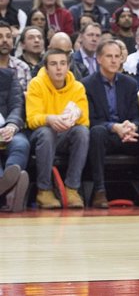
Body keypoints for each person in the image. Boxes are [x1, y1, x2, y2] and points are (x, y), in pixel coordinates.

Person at [83, 39, 139, 208]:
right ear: (99, 59)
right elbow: (90, 119)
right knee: (96, 132)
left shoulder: (129, 83)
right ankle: (99, 191)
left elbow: (136, 116)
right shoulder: (87, 84)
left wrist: (132, 126)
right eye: (109, 56)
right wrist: (114, 127)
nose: (113, 60)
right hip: (105, 136)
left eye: (117, 56)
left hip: (127, 135)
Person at [26, 48, 90, 209]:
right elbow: (32, 119)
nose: (59, 68)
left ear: (68, 66)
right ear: (46, 68)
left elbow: (85, 121)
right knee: (47, 133)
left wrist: (71, 118)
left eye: (62, 63)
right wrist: (49, 119)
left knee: (82, 132)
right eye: (53, 64)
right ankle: (44, 190)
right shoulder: (36, 84)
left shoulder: (77, 87)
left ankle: (72, 189)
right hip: (40, 134)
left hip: (66, 133)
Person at [0, 68, 29, 212]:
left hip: (6, 128)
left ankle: (10, 177)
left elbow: (17, 105)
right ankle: (10, 190)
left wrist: (11, 125)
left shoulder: (8, 76)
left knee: (21, 144)